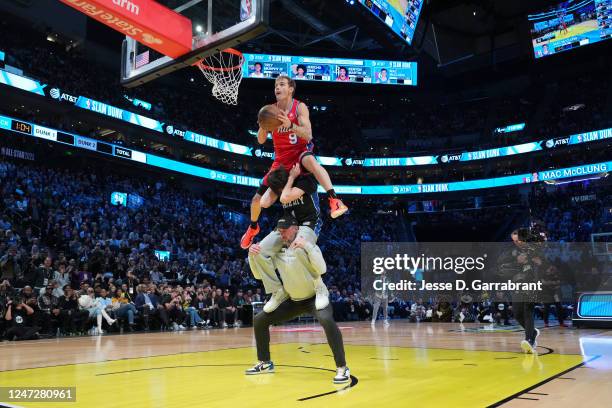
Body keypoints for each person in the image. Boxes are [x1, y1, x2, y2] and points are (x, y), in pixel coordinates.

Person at [240, 75, 348, 249]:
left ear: (290, 89)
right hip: (281, 160)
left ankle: (334, 199)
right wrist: (263, 124)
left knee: (311, 160)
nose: (277, 87)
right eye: (275, 85)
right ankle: (253, 228)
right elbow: (260, 140)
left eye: (281, 84)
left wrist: (290, 124)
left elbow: (308, 135)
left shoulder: (300, 107)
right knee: (257, 201)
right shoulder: (270, 110)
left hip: (299, 152)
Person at [246, 215, 350, 384]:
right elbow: (259, 275)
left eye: (285, 230)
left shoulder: (307, 246)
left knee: (326, 320)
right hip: (293, 300)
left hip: (315, 297)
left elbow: (322, 269)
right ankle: (264, 362)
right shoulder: (275, 251)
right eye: (279, 231)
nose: (282, 234)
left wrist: (308, 246)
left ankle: (342, 367)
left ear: (296, 229)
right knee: (259, 320)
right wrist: (252, 256)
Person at [250, 164, 329, 312]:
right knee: (260, 250)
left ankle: (319, 286)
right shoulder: (281, 184)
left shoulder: (307, 180)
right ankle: (277, 291)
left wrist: (291, 178)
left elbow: (286, 196)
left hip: (308, 223)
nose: (279, 193)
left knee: (298, 248)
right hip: (288, 224)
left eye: (278, 190)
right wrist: (267, 182)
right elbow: (264, 203)